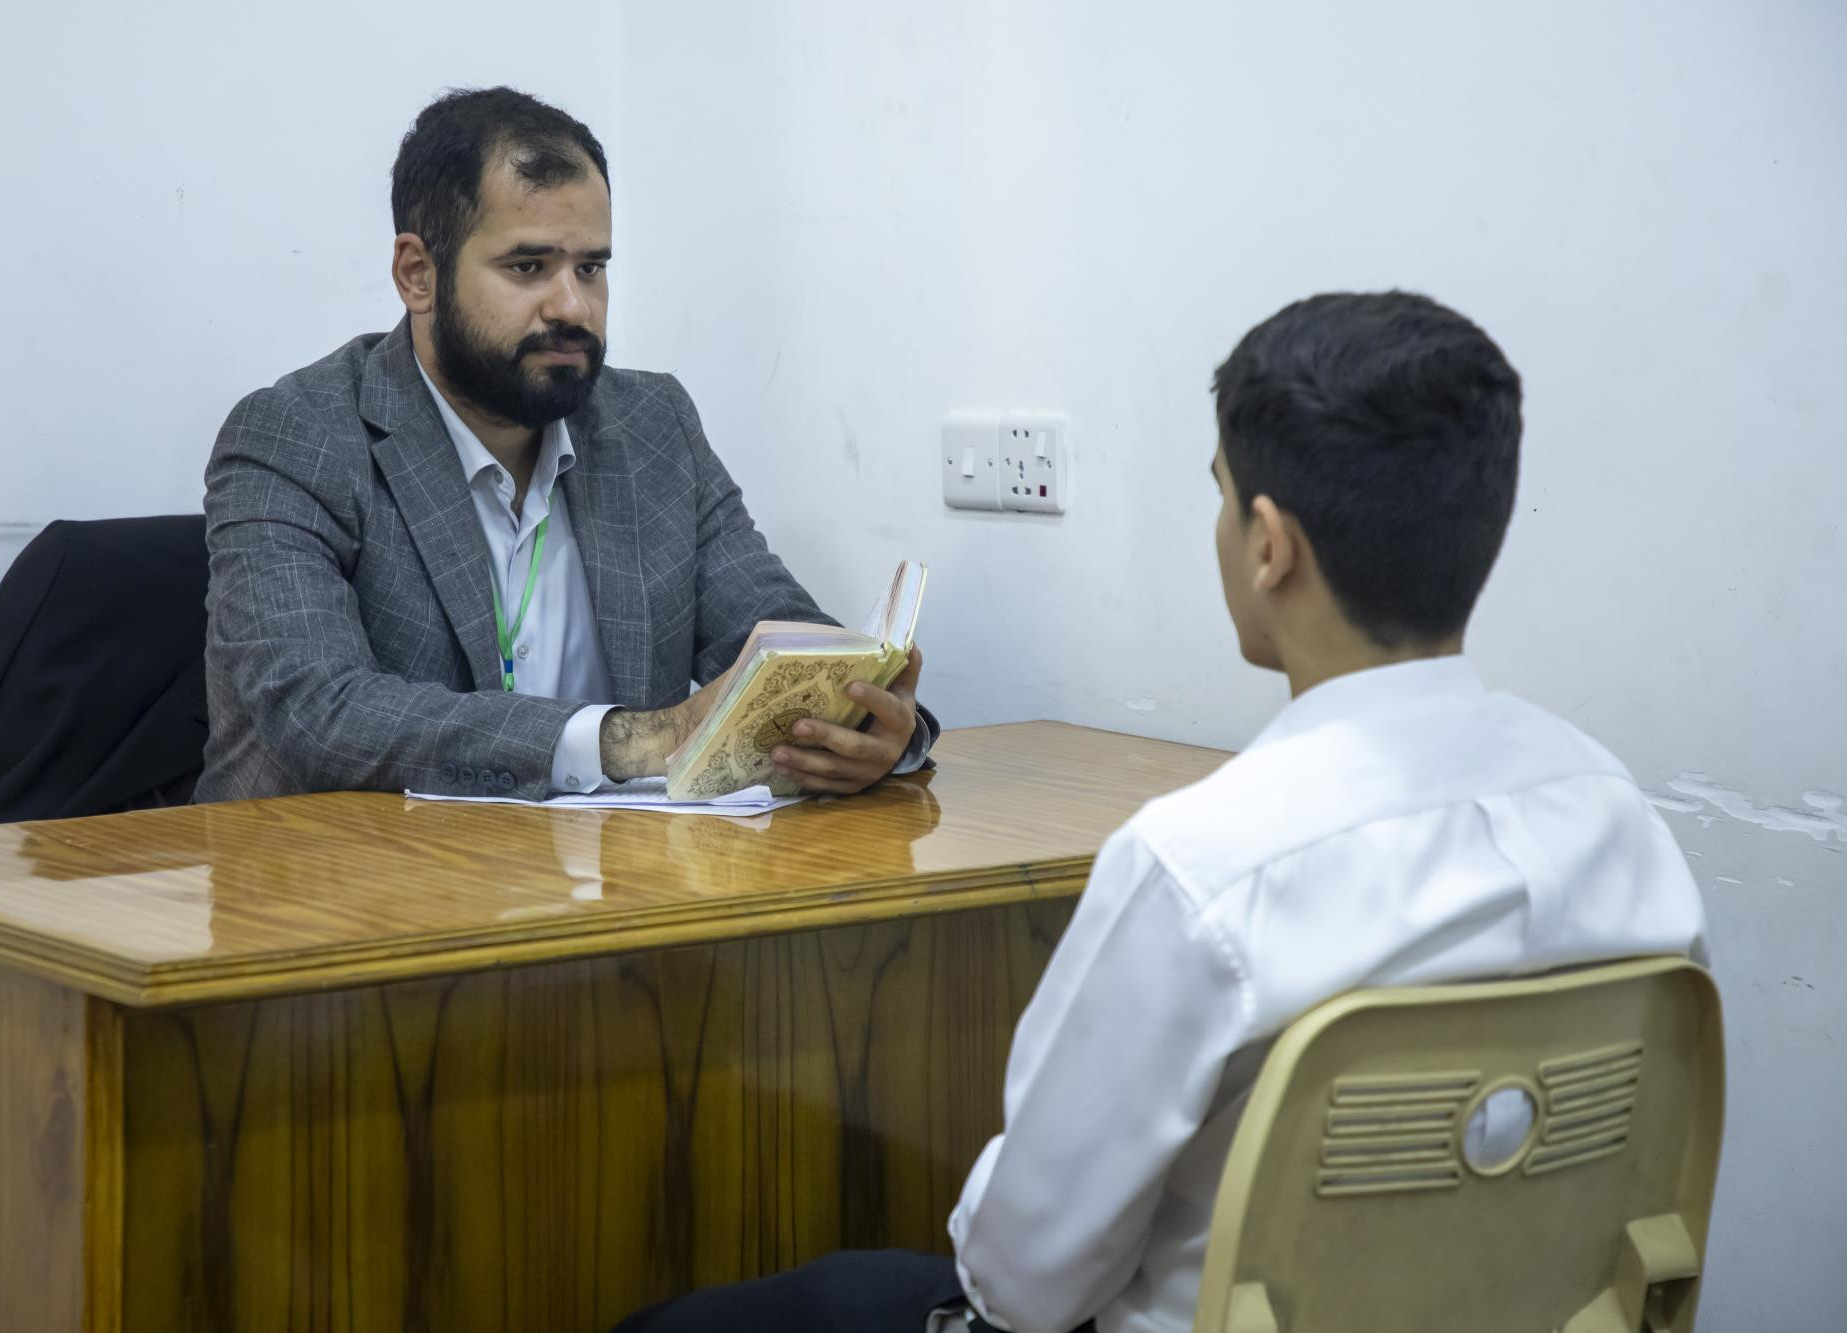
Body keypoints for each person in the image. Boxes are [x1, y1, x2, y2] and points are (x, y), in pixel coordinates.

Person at [609, 291, 1708, 1333]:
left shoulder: (1204, 868)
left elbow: (1019, 1282)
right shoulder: (1617, 819)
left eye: (1222, 494)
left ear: (1269, 544)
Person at [196, 88, 934, 803]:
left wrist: (869, 724)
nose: (573, 305)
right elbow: (320, 712)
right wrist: (639, 739)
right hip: (336, 872)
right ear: (418, 274)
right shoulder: (297, 438)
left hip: (603, 872)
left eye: (591, 267)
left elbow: (778, 640)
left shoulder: (653, 427)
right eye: (528, 268)